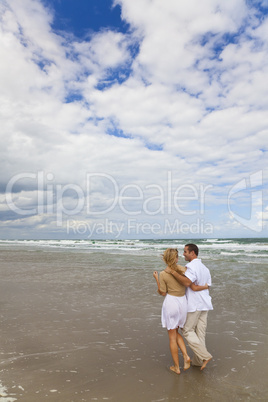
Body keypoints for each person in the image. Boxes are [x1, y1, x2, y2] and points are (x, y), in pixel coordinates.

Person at [153, 248, 209, 375]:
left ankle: (177, 367)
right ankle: (185, 356)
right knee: (176, 331)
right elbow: (190, 283)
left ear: (165, 259)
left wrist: (156, 278)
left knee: (172, 336)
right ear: (176, 258)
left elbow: (162, 292)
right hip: (183, 303)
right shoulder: (183, 270)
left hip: (171, 302)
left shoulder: (163, 273)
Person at [166, 243, 213, 370]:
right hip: (205, 304)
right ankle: (198, 362)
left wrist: (173, 273)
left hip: (195, 304)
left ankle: (205, 355)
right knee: (200, 334)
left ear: (192, 253)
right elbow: (207, 285)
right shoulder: (205, 268)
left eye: (185, 252)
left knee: (187, 330)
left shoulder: (191, 266)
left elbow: (187, 282)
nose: (183, 254)